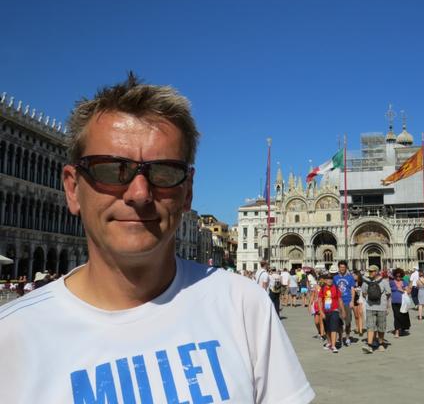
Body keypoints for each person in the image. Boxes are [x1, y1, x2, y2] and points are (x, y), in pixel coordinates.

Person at [0, 77, 314, 403]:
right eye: (111, 170)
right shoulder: (11, 338)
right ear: (72, 188)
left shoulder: (244, 308)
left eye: (163, 173)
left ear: (188, 191)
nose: (139, 194)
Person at [361, 265, 391, 354]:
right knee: (370, 326)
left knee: (381, 327)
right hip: (370, 307)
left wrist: (387, 306)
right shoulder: (366, 282)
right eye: (369, 271)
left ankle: (380, 343)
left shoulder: (384, 281)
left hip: (381, 307)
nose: (370, 273)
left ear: (377, 271)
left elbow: (388, 293)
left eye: (372, 271)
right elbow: (363, 293)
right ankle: (369, 345)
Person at [318, 272, 345, 353]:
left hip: (334, 310)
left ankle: (333, 346)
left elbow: (340, 300)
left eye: (331, 279)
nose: (329, 281)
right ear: (325, 280)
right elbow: (319, 301)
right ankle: (329, 342)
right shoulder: (322, 289)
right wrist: (321, 312)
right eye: (328, 279)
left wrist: (343, 310)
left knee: (334, 327)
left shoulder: (336, 288)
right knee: (327, 329)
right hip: (325, 311)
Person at [333, 260, 356, 346]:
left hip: (347, 301)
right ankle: (340, 338)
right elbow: (334, 290)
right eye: (340, 267)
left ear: (346, 268)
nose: (342, 269)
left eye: (343, 267)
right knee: (339, 322)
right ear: (338, 268)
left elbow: (352, 289)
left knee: (348, 322)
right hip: (338, 302)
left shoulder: (350, 277)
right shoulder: (335, 278)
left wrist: (352, 301)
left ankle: (347, 337)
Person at [390, 269, 411, 337]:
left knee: (402, 316)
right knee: (396, 316)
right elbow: (387, 292)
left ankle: (401, 328)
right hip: (394, 302)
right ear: (394, 276)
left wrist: (402, 289)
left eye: (399, 276)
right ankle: (397, 331)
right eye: (397, 276)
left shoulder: (404, 282)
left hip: (403, 302)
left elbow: (408, 291)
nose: (398, 278)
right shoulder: (391, 282)